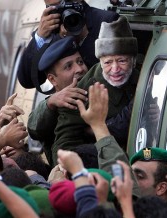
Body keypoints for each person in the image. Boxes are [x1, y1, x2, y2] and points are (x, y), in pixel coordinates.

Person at [52, 16, 139, 165]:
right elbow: (63, 149)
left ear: (133, 60)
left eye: (122, 61)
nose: (115, 69)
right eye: (108, 62)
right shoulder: (80, 93)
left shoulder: (145, 79)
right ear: (100, 61)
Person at [17, 0, 119, 90]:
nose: (64, 9)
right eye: (56, 7)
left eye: (67, 2)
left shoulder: (107, 21)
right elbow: (27, 81)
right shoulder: (51, 28)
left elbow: (115, 72)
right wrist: (40, 37)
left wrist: (82, 38)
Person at [27, 36, 88, 164]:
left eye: (80, 62)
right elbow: (33, 127)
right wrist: (50, 103)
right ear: (53, 79)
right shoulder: (53, 108)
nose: (79, 69)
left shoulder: (99, 88)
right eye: (68, 66)